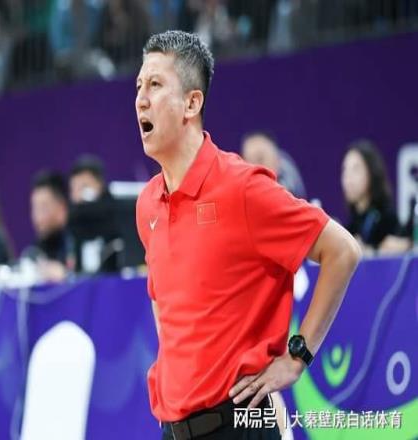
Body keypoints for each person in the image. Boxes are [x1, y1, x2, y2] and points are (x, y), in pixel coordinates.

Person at [135, 30, 361, 440]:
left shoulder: (242, 188)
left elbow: (342, 251)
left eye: (155, 84)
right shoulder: (148, 203)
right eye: (138, 86)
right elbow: (161, 302)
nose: (141, 100)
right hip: (174, 429)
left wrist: (297, 357)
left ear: (192, 103)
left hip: (240, 424)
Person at [341, 139, 411, 255]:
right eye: (345, 170)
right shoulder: (352, 225)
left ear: (371, 172)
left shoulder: (388, 221)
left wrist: (375, 250)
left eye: (356, 169)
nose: (348, 178)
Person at [68, 155, 122, 274]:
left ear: (100, 185)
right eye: (75, 189)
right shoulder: (70, 223)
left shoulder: (116, 214)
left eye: (84, 187)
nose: (79, 195)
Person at [27, 170, 74, 282]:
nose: (37, 217)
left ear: (62, 208)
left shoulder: (75, 243)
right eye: (35, 208)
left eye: (43, 208)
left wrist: (66, 275)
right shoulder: (34, 250)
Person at [241, 131, 306, 198]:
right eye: (250, 160)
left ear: (277, 158)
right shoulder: (243, 187)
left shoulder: (287, 171)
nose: (257, 166)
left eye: (260, 158)